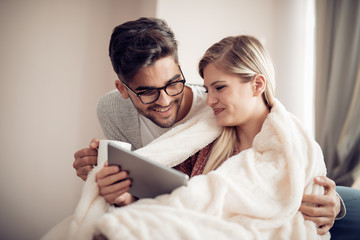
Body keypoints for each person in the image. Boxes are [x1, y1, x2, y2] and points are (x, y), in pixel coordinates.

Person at [72, 17, 359, 238]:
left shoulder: (220, 114)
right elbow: (166, 187)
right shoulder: (206, 133)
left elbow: (306, 181)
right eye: (147, 92)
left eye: (174, 83)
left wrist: (332, 201)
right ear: (124, 90)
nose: (165, 99)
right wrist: (115, 183)